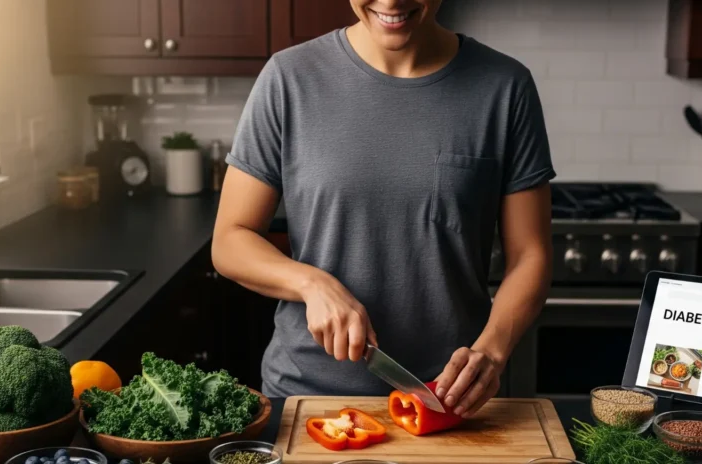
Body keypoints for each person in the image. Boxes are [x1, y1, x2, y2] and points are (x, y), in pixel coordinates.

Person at [212, 0, 553, 417]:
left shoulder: (505, 86)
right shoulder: (289, 78)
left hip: (448, 402)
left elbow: (530, 254)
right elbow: (231, 239)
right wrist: (311, 284)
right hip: (309, 399)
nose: (390, 1)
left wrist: (492, 352)